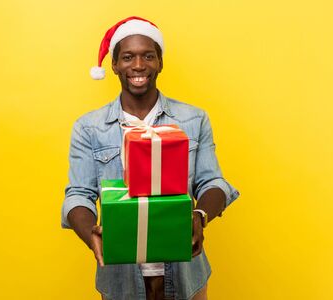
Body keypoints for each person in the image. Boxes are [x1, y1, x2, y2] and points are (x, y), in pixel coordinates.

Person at [61, 16, 239, 300]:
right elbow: (78, 195)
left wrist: (200, 215)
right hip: (121, 278)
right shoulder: (88, 127)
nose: (139, 66)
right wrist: (90, 234)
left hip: (186, 274)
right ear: (115, 65)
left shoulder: (193, 120)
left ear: (160, 62)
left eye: (148, 56)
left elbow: (213, 182)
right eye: (128, 57)